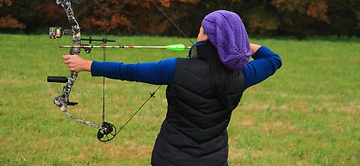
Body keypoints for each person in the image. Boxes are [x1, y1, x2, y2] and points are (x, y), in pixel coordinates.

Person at [63, 10, 282, 166]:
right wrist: (233, 43)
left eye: (200, 31)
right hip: (213, 160)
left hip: (169, 158)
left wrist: (85, 65)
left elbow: (128, 71)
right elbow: (273, 59)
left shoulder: (176, 68)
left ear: (205, 37)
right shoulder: (241, 76)